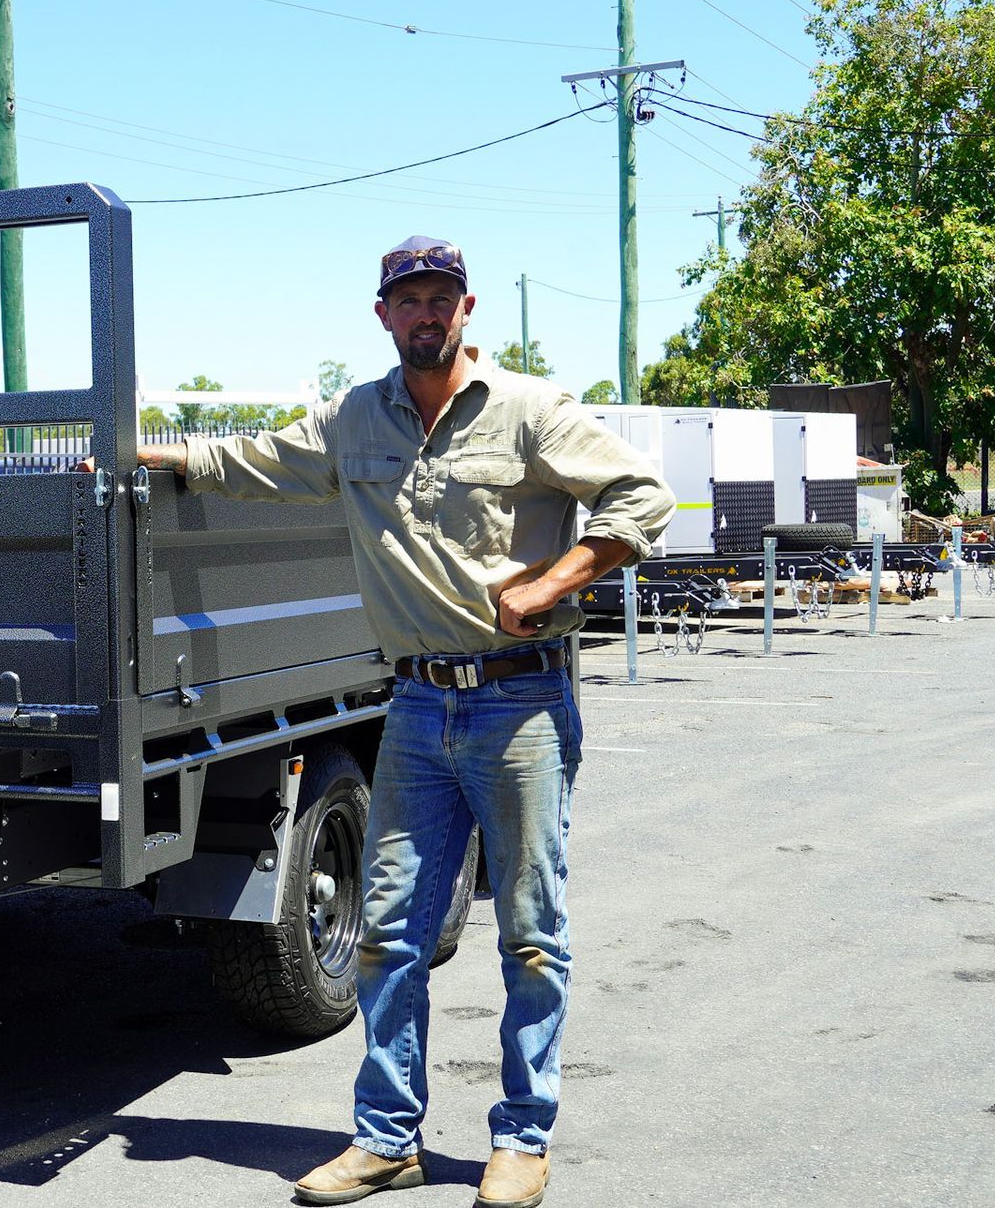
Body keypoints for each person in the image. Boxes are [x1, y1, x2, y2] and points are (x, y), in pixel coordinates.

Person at [95, 238, 672, 1207]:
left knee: (532, 934)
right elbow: (253, 459)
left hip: (520, 701)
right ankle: (387, 1137)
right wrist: (148, 456)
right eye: (407, 300)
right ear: (382, 315)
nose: (424, 314)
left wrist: (554, 581)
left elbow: (643, 495)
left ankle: (523, 1136)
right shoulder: (354, 419)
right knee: (389, 933)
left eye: (439, 297)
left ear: (467, 308)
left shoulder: (528, 410)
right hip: (412, 706)